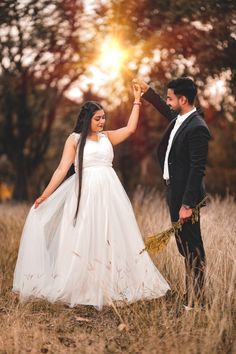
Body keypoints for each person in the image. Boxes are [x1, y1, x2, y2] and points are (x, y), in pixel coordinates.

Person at [13, 84, 170, 310]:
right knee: (83, 234)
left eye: (103, 118)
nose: (102, 122)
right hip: (84, 194)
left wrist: (137, 100)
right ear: (87, 118)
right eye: (97, 118)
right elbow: (61, 169)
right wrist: (45, 195)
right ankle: (80, 283)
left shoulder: (107, 137)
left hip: (109, 192)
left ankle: (113, 281)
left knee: (111, 234)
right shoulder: (74, 140)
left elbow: (130, 129)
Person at [133, 77, 211, 309]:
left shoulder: (197, 127)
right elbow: (164, 107)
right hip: (174, 191)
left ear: (183, 99)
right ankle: (192, 298)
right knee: (185, 246)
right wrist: (148, 92)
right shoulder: (181, 118)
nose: (168, 102)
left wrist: (187, 204)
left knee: (193, 247)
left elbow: (198, 168)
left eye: (170, 98)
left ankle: (196, 303)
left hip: (187, 197)